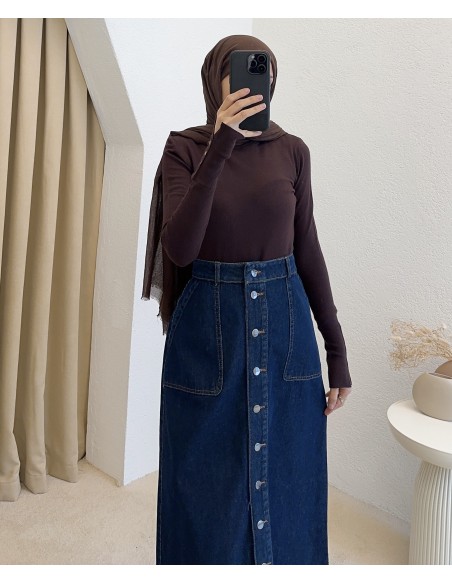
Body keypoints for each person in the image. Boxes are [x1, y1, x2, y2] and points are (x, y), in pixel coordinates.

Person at [141, 34, 352, 565]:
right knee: (206, 493)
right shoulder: (185, 149)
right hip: (207, 339)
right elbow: (180, 248)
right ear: (216, 81)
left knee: (290, 486)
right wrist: (221, 144)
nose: (256, 86)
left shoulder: (293, 151)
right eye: (240, 73)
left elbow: (308, 251)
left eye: (265, 75)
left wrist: (337, 352)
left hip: (286, 337)